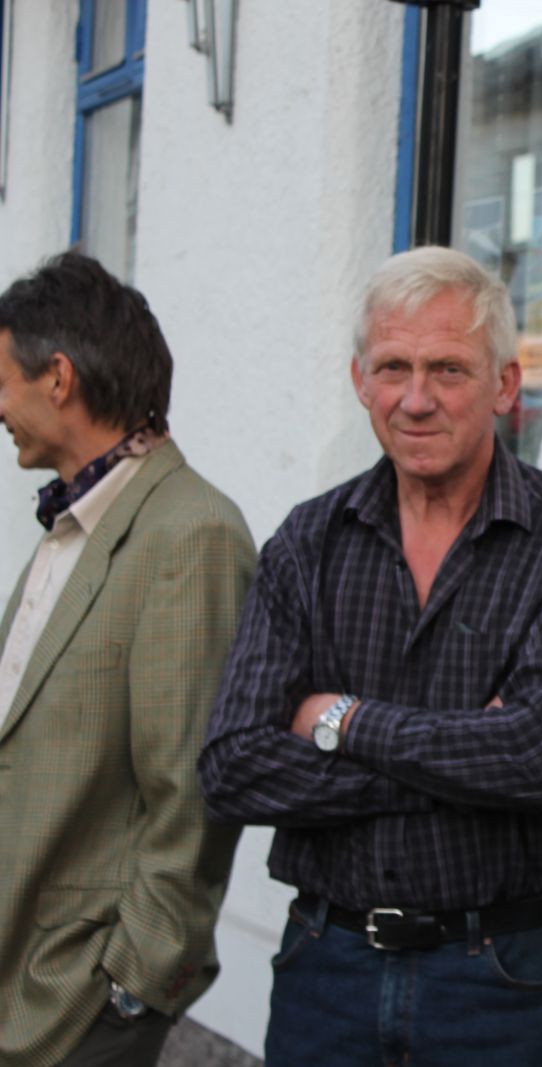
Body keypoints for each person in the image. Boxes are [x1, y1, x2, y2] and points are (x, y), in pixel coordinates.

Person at [199, 247, 542, 1066]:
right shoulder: (307, 542)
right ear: (361, 381)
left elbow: (538, 760)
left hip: (507, 982)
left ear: (505, 385)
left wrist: (341, 720)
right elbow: (232, 767)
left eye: (448, 369)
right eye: (393, 367)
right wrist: (465, 760)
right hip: (328, 967)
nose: (416, 398)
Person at [0, 252, 253, 1067]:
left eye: (3, 380)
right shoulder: (75, 520)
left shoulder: (191, 532)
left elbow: (191, 792)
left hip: (79, 1001)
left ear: (58, 378)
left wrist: (132, 987)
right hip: (22, 977)